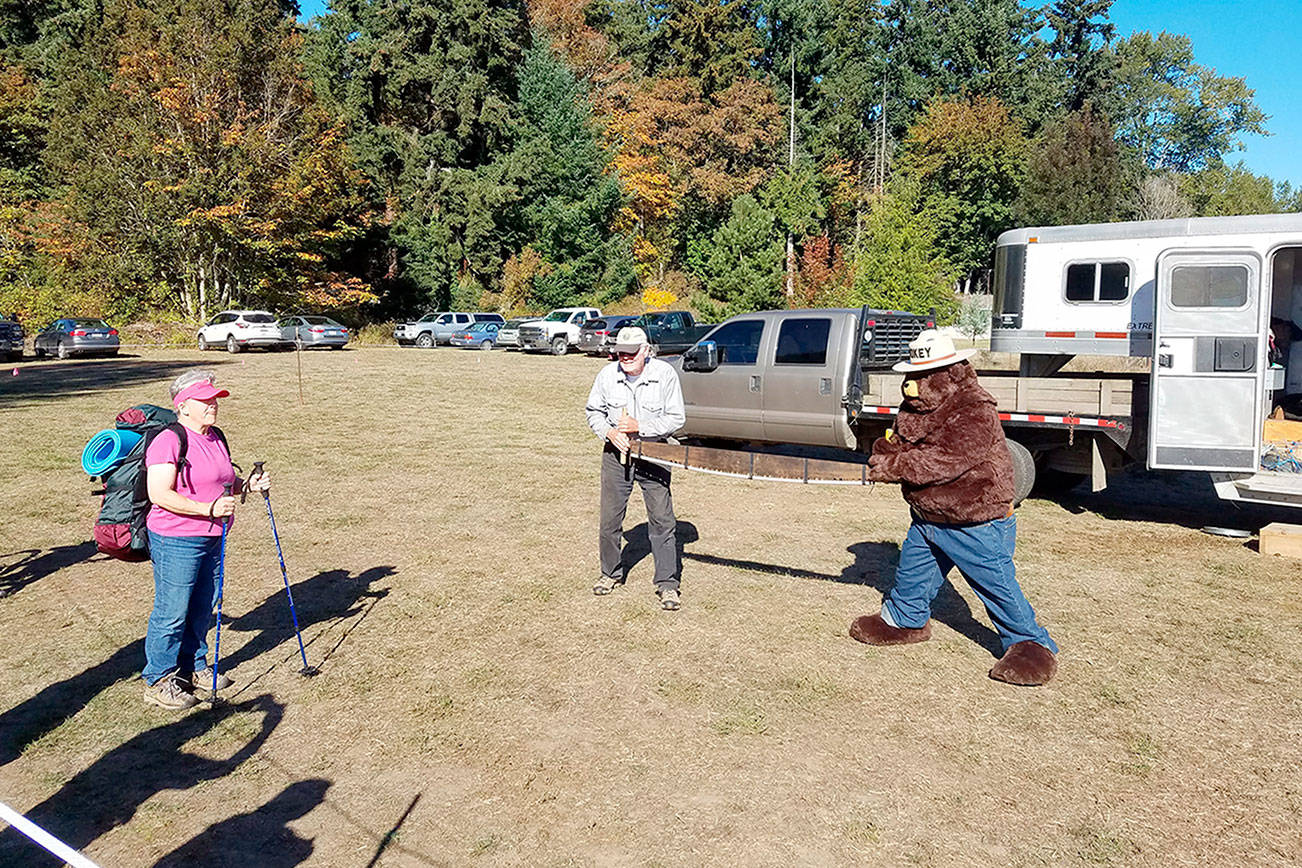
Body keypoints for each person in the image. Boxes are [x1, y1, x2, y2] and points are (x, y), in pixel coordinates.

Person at [854, 330, 1059, 686]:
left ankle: (1031, 643)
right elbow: (901, 442)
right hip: (928, 515)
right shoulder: (915, 408)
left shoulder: (974, 408)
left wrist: (896, 467)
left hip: (974, 519)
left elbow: (949, 459)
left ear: (952, 372)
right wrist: (886, 453)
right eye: (911, 376)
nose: (912, 386)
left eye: (922, 376)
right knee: (913, 574)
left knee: (995, 583)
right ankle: (905, 619)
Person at [141, 369, 269, 709]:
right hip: (176, 537)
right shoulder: (169, 439)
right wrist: (207, 509)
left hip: (215, 536)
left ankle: (193, 667)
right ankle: (158, 679)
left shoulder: (215, 436)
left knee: (202, 605)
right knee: (172, 610)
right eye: (205, 400)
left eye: (215, 399)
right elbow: (159, 494)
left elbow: (223, 481)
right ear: (183, 406)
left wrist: (248, 486)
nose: (213, 405)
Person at [585, 327, 686, 609]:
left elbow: (676, 417)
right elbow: (593, 411)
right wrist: (609, 433)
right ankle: (610, 573)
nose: (624, 358)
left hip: (654, 453)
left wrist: (641, 426)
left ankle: (667, 585)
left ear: (645, 351)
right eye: (620, 352)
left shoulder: (664, 374)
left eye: (631, 353)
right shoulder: (607, 375)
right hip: (615, 454)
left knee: (662, 520)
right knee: (609, 520)